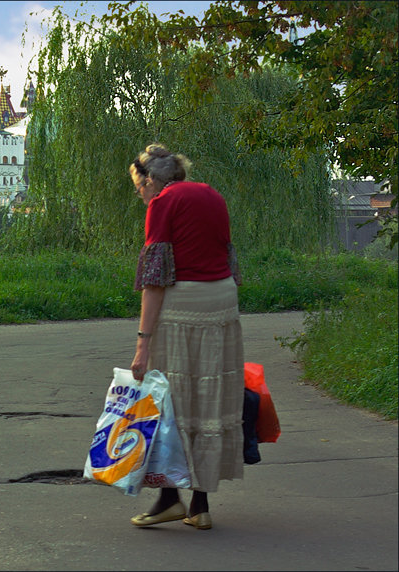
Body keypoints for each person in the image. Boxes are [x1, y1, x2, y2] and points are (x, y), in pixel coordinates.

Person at [127, 143, 244, 531]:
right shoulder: (212, 195)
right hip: (223, 301)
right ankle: (200, 505)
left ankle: (167, 498)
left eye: (138, 185)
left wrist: (143, 344)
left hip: (184, 304)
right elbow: (229, 258)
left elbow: (154, 280)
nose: (139, 193)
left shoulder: (162, 204)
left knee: (169, 401)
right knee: (208, 400)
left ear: (150, 179)